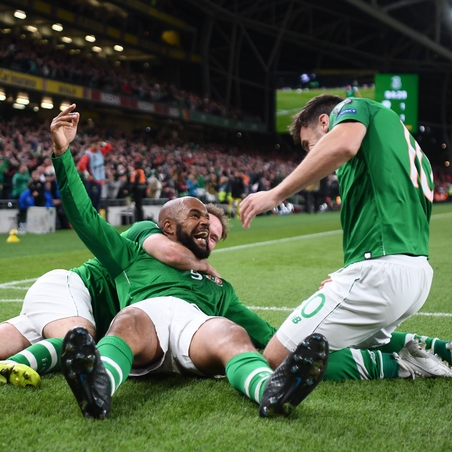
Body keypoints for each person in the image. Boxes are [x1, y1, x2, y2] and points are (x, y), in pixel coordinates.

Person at [49, 104, 328, 419]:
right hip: (145, 327)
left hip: (195, 333)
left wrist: (327, 355)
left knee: (232, 332)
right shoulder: (131, 252)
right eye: (197, 217)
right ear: (167, 227)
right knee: (126, 322)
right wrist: (62, 154)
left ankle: (270, 390)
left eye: (211, 229)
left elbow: (269, 336)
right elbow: (85, 217)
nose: (206, 227)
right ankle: (98, 387)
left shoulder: (219, 287)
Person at [239, 94, 452, 382]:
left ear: (326, 121)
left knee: (279, 356)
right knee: (356, 339)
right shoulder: (400, 145)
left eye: (307, 143)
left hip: (380, 274)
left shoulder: (353, 107)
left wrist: (274, 194)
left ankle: (402, 365)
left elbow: (343, 144)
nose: (308, 152)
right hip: (416, 274)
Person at [0, 216, 223, 385]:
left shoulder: (187, 280)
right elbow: (169, 252)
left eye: (216, 238)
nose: (209, 238)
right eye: (206, 226)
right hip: (69, 289)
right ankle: (15, 365)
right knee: (80, 341)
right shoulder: (150, 235)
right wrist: (205, 266)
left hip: (58, 304)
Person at [76, 139, 112, 211]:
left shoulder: (100, 152)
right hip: (93, 181)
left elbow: (109, 147)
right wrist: (88, 174)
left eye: (99, 144)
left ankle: (95, 220)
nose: (99, 146)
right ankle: (90, 220)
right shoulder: (88, 154)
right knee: (92, 203)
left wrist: (103, 143)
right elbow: (81, 165)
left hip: (99, 181)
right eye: (97, 144)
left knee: (97, 202)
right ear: (92, 144)